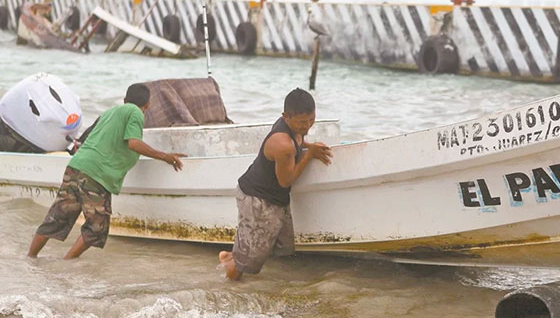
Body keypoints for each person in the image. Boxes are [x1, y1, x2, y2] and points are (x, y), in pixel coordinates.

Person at [27, 83, 186, 260]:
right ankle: (67, 261)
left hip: (77, 166)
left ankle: (31, 258)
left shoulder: (110, 113)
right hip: (96, 175)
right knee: (97, 228)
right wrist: (164, 156)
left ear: (124, 99)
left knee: (57, 217)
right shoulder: (135, 112)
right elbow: (133, 143)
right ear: (147, 105)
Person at [219, 88, 332, 280]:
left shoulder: (293, 130)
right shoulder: (282, 144)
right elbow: (286, 180)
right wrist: (309, 155)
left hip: (275, 198)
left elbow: (298, 142)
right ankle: (229, 280)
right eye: (302, 122)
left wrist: (309, 146)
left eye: (311, 120)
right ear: (285, 117)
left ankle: (232, 255)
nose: (307, 127)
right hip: (258, 200)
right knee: (245, 265)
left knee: (280, 248)